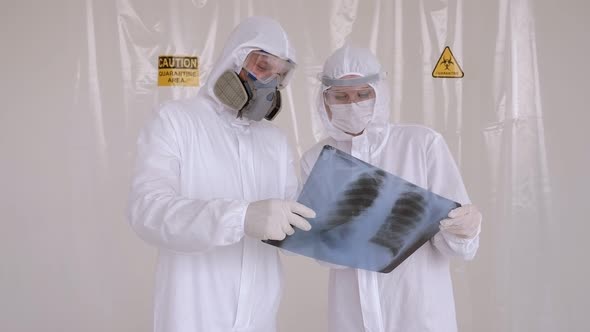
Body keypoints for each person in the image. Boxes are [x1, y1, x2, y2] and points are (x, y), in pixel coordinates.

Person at [127, 16, 315, 332]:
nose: (269, 82)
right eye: (262, 67)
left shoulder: (274, 142)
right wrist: (239, 217)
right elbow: (146, 210)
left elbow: (291, 217)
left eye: (279, 75)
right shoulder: (176, 121)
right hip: (193, 315)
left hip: (259, 316)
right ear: (234, 58)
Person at [301, 45, 482, 332]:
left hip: (419, 313)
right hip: (352, 316)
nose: (353, 104)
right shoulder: (316, 159)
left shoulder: (420, 144)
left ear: (379, 92)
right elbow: (324, 256)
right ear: (324, 100)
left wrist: (465, 231)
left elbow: (455, 247)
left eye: (362, 94)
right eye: (341, 96)